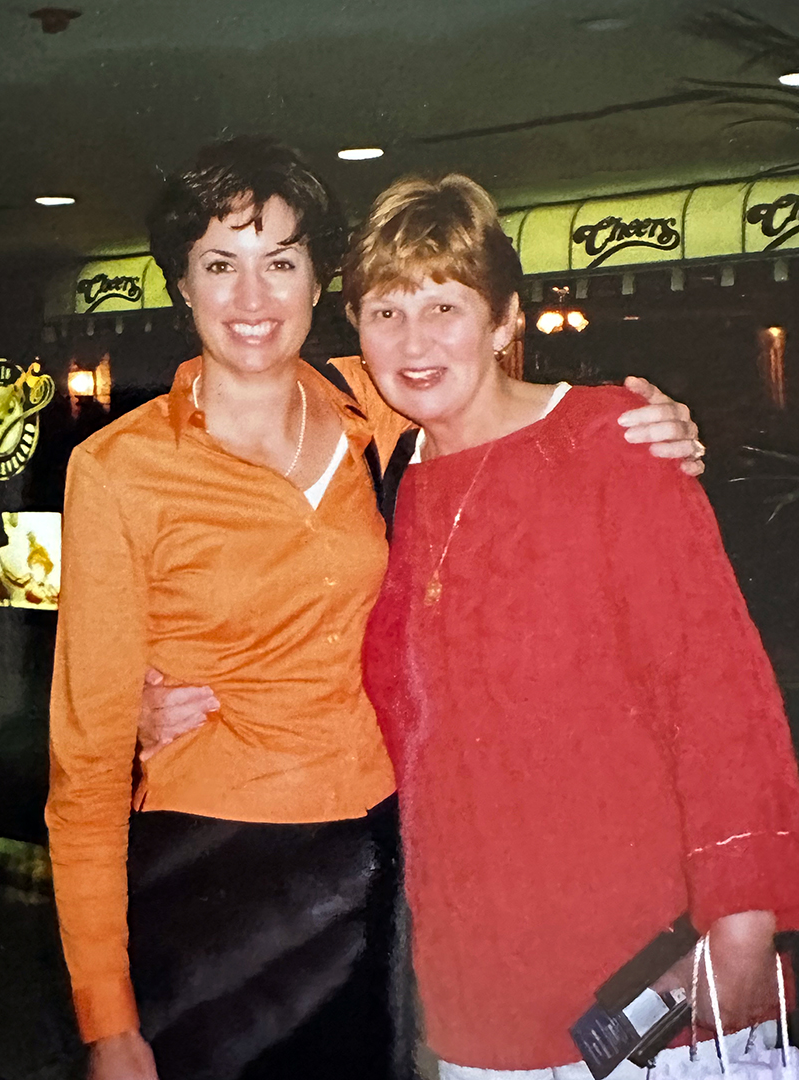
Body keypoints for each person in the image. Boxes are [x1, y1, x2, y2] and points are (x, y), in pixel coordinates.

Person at [46, 137, 703, 1080]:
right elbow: (86, 764)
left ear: (320, 281)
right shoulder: (118, 470)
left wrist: (651, 431)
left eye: (280, 261)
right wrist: (107, 1022)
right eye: (219, 266)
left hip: (383, 850)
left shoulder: (379, 405)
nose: (252, 297)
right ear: (180, 286)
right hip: (217, 872)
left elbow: (512, 413)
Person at [342, 174, 799, 1080]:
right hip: (469, 989)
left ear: (507, 319)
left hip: (642, 975)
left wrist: (744, 919)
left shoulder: (610, 442)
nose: (415, 340)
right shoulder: (379, 475)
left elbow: (717, 690)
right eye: (386, 311)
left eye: (445, 305)